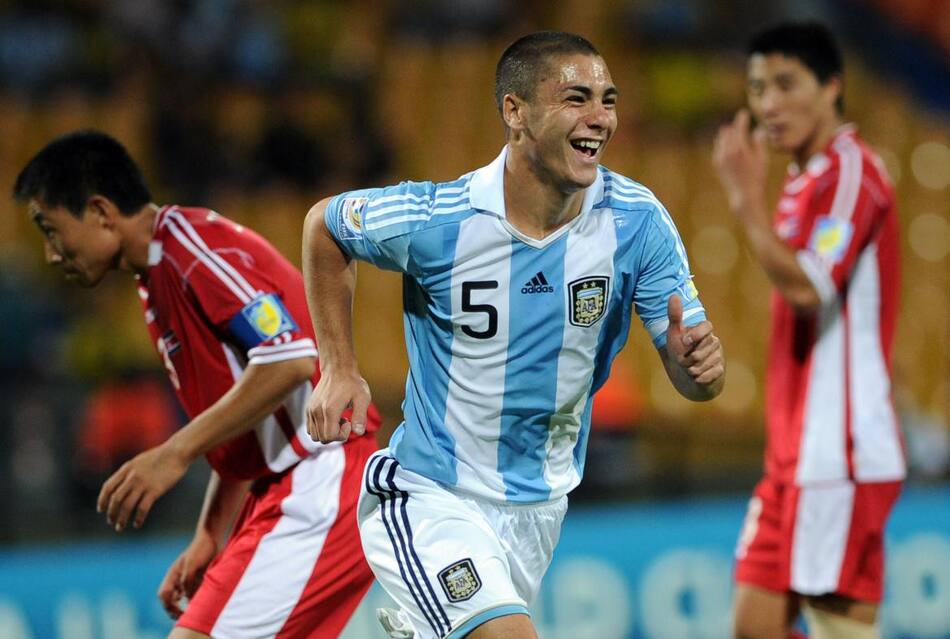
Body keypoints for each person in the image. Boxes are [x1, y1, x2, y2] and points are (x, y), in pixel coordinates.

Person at [303, 31, 725, 639]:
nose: (599, 119)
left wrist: (698, 369)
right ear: (515, 112)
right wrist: (338, 367)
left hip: (540, 509)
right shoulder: (440, 219)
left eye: (608, 100)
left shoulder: (636, 222)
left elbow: (696, 383)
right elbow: (326, 225)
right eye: (576, 99)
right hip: (430, 494)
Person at [13, 130, 381, 639]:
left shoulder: (189, 247)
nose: (53, 254)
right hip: (285, 487)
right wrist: (211, 533)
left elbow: (290, 359)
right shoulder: (156, 278)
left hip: (320, 479)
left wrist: (174, 452)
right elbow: (247, 414)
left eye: (51, 230)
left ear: (100, 211)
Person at [712, 22, 905, 639]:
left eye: (786, 84)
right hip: (794, 455)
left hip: (838, 452)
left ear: (831, 87)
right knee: (753, 627)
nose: (768, 103)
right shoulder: (802, 181)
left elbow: (807, 289)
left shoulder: (854, 172)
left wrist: (744, 199)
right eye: (757, 87)